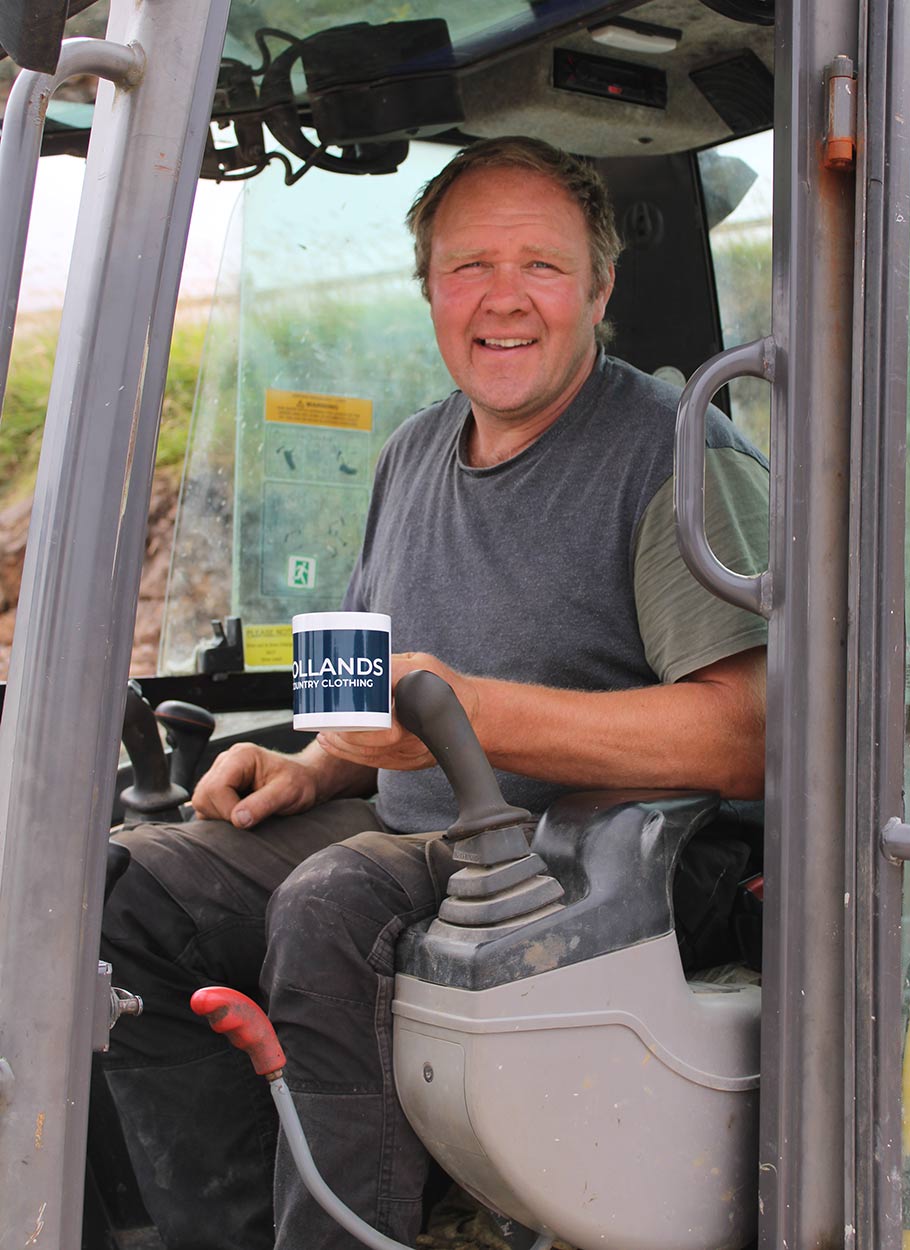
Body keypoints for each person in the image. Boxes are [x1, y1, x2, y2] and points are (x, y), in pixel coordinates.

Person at [99, 136, 769, 1250]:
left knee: (329, 901)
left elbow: (748, 736)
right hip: (420, 819)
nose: (502, 300)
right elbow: (383, 695)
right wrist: (309, 763)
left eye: (541, 267)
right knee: (122, 887)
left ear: (599, 289)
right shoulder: (413, 451)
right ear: (429, 293)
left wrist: (473, 716)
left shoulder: (674, 454)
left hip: (602, 854)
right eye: (468, 268)